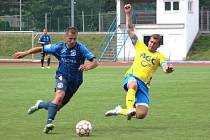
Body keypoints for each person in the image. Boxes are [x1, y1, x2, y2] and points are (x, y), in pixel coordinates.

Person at [13, 27, 99, 133]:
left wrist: (86, 67)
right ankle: (49, 123)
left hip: (76, 81)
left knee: (57, 107)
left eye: (75, 39)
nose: (73, 41)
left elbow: (95, 62)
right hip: (62, 76)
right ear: (65, 37)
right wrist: (25, 53)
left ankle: (40, 104)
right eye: (70, 38)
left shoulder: (81, 48)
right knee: (59, 96)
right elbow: (41, 49)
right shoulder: (58, 47)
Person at [105, 3, 174, 120]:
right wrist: (128, 14)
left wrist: (167, 69)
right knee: (133, 84)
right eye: (151, 41)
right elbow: (130, 30)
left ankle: (120, 110)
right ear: (149, 41)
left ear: (158, 45)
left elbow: (164, 66)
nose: (151, 44)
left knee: (141, 114)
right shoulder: (140, 46)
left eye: (154, 43)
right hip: (132, 76)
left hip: (144, 85)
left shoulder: (159, 56)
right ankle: (129, 107)